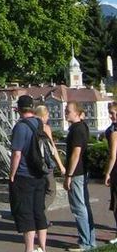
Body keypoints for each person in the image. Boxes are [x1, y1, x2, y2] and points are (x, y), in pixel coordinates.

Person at [9, 94, 48, 252]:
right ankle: (43, 247)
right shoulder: (39, 123)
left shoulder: (20, 126)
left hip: (24, 174)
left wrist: (12, 174)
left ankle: (29, 249)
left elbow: (17, 153)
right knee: (39, 210)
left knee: (26, 212)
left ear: (18, 109)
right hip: (40, 173)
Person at [63, 101, 96, 251]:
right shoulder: (82, 127)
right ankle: (90, 240)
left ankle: (85, 242)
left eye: (68, 111)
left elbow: (75, 154)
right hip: (82, 172)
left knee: (78, 207)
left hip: (76, 173)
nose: (65, 113)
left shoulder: (77, 130)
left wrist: (68, 175)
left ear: (76, 113)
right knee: (84, 206)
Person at [35, 104, 65, 209]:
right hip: (45, 164)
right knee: (51, 190)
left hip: (34, 164)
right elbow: (52, 149)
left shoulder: (30, 126)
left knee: (39, 190)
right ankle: (40, 212)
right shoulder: (45, 128)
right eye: (47, 116)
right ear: (43, 116)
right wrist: (61, 165)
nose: (48, 118)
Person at [103, 101, 117, 244]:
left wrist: (107, 173)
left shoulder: (114, 131)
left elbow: (113, 155)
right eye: (112, 113)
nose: (112, 116)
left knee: (116, 202)